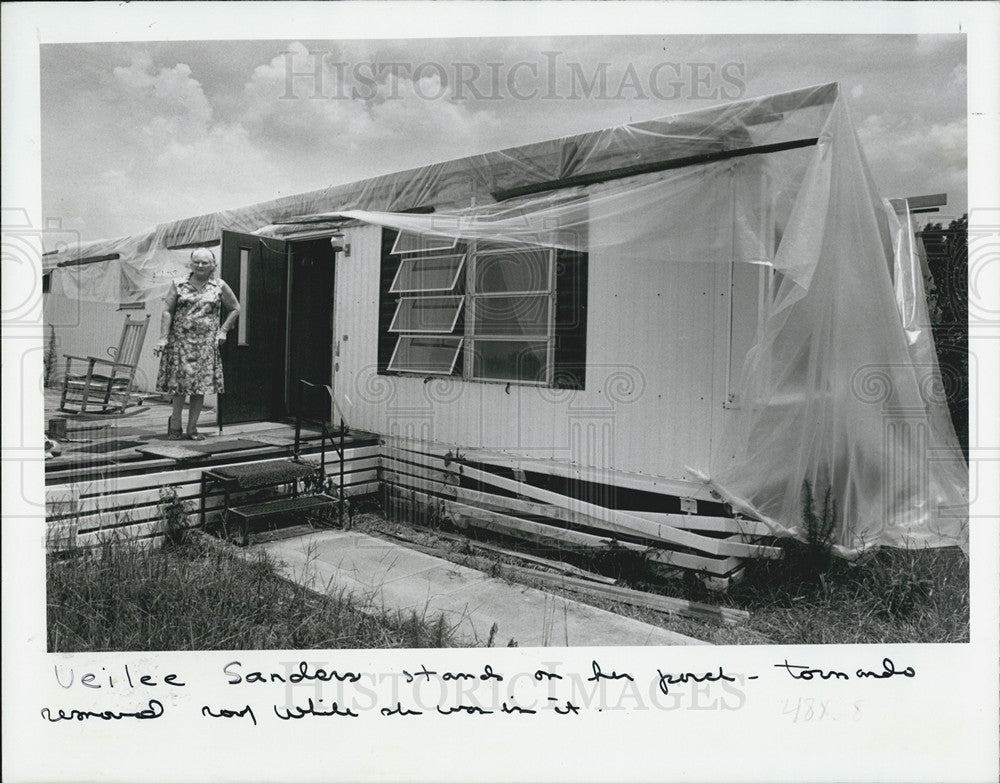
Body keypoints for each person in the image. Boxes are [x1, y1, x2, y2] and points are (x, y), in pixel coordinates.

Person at [153, 248, 240, 440]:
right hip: (180, 343)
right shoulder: (179, 284)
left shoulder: (219, 285)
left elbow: (235, 308)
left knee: (199, 387)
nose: (200, 266)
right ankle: (175, 425)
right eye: (197, 262)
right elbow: (167, 310)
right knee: (179, 386)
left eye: (205, 263)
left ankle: (192, 428)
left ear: (213, 265)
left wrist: (223, 330)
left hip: (206, 345)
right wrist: (163, 337)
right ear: (191, 264)